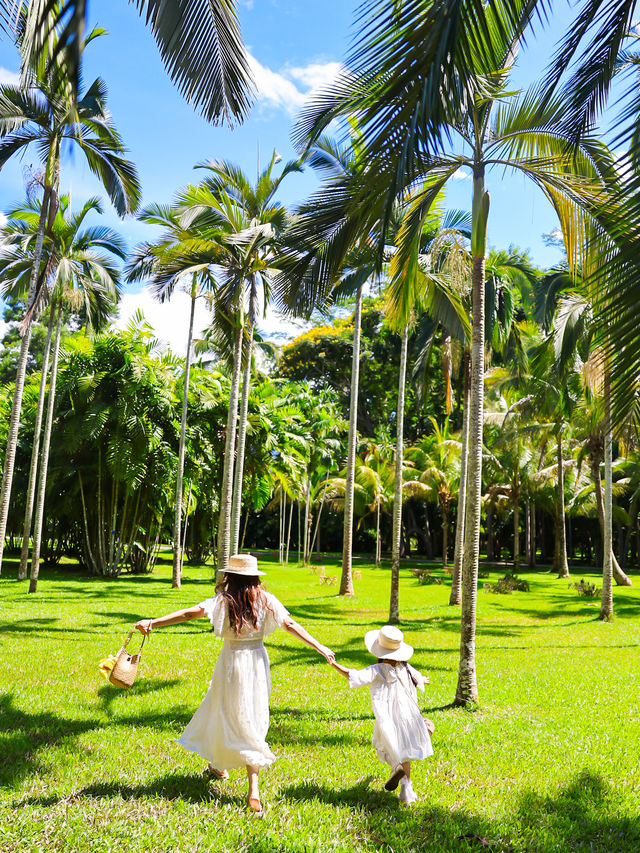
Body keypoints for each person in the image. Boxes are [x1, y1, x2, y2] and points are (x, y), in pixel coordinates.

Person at [134, 553, 335, 814]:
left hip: (230, 662)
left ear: (229, 576)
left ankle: (219, 765)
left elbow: (188, 614)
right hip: (256, 664)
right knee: (253, 719)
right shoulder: (265, 600)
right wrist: (319, 646)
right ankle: (250, 788)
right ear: (254, 577)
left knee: (224, 713)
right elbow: (290, 623)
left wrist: (153, 622)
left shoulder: (223, 600)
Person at [330, 624, 432, 804]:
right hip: (409, 718)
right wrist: (424, 680)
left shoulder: (377, 670)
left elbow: (353, 676)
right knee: (405, 752)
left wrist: (335, 665)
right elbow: (418, 678)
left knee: (385, 747)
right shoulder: (405, 667)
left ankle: (397, 770)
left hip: (388, 719)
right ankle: (406, 791)